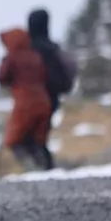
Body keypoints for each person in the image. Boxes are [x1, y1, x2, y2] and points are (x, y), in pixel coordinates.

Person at [0, 27, 52, 170]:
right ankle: (44, 166)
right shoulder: (36, 56)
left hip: (25, 103)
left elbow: (2, 78)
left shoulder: (12, 58)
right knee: (36, 139)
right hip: (44, 102)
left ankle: (30, 167)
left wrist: (4, 61)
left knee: (14, 140)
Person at [26, 9, 74, 169]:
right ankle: (45, 166)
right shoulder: (53, 49)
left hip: (34, 98)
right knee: (40, 135)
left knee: (31, 136)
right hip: (52, 97)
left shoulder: (31, 50)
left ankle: (42, 166)